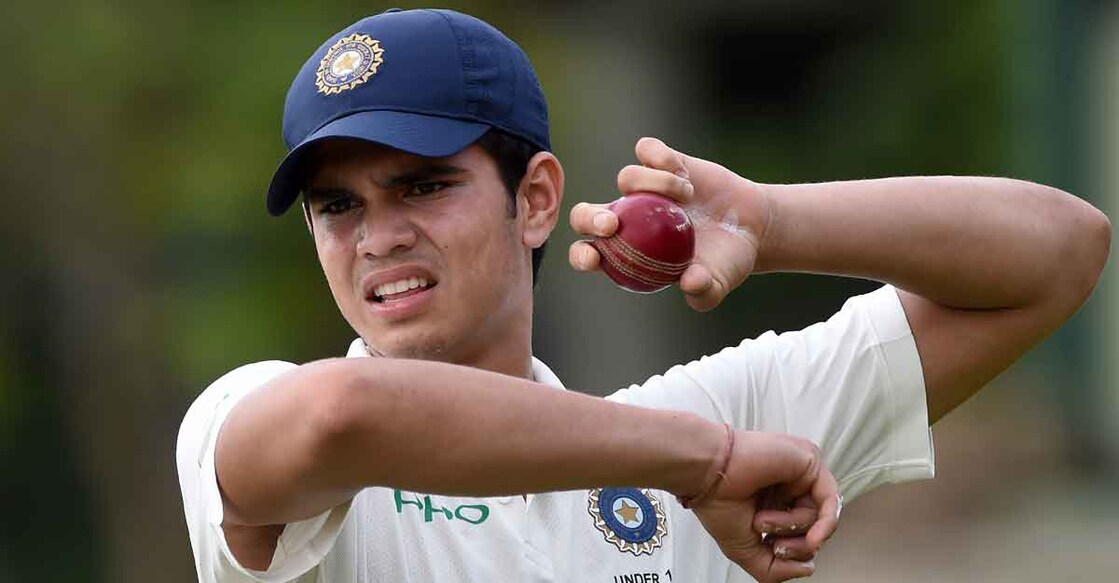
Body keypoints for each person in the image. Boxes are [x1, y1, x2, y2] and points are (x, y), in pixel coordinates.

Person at [175, 7, 1111, 583]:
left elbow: (1061, 249)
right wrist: (704, 462)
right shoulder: (245, 416)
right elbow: (346, 412)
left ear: (535, 199)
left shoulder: (703, 419)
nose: (377, 236)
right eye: (337, 206)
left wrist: (771, 223)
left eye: (422, 185)